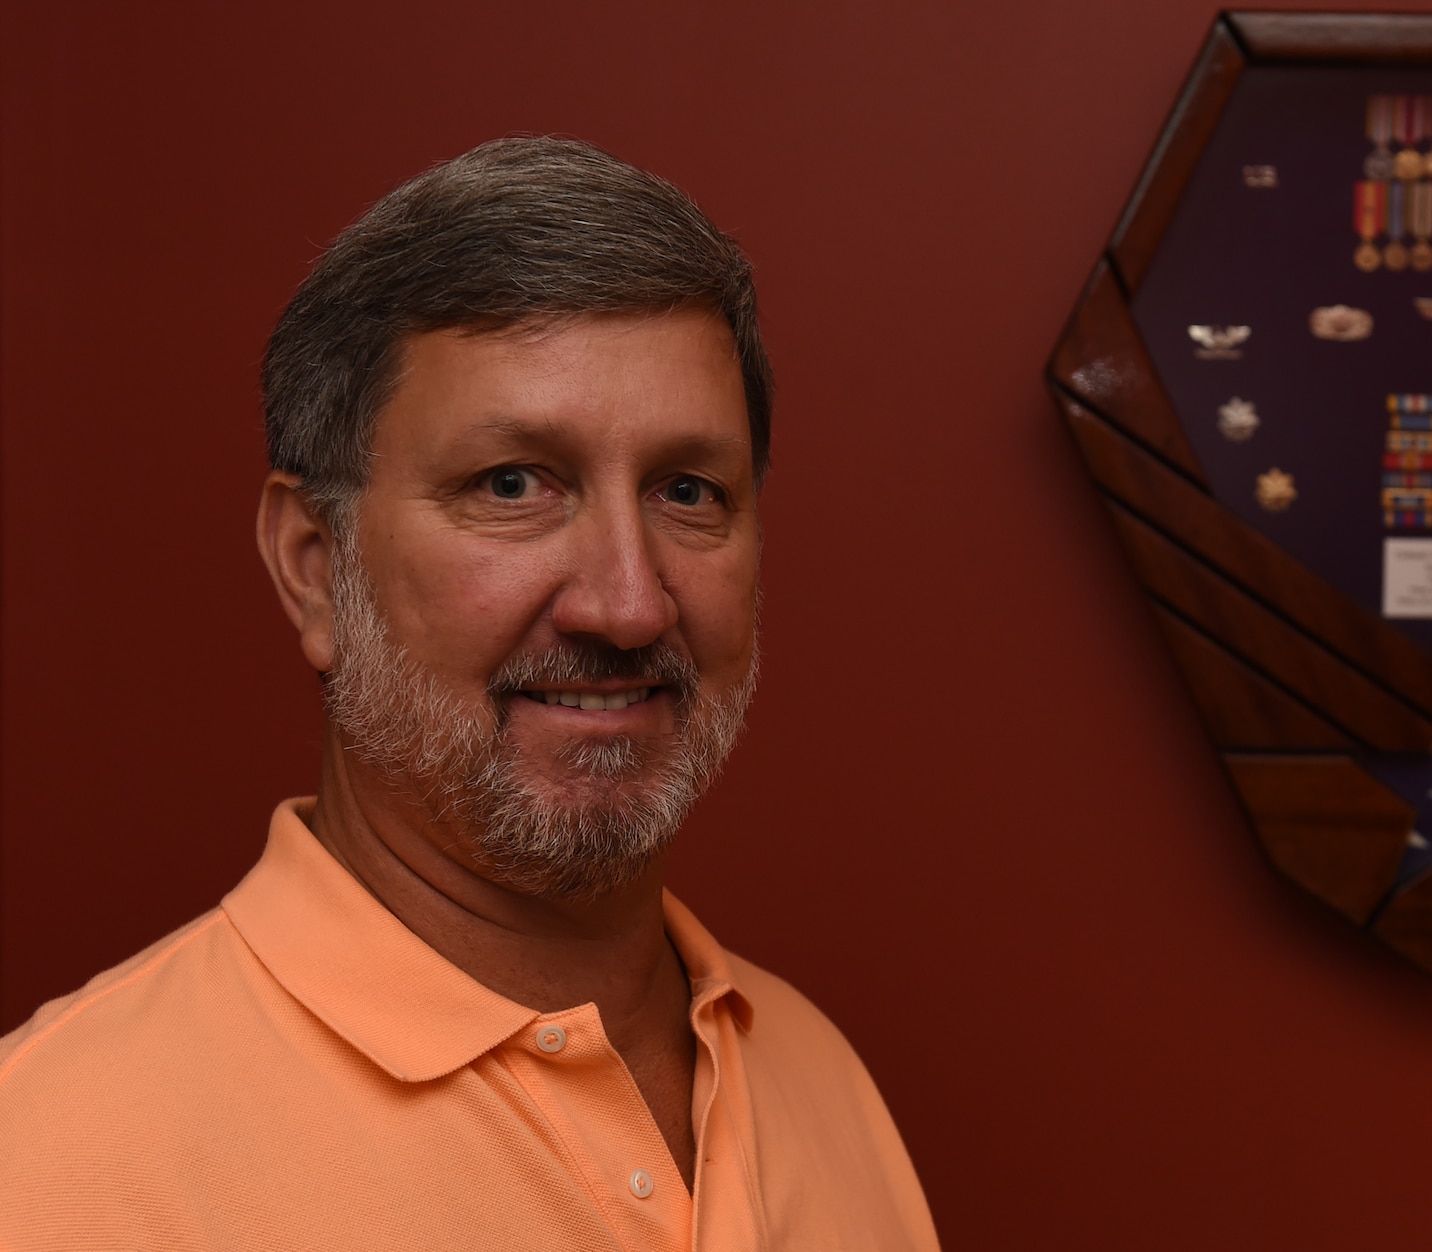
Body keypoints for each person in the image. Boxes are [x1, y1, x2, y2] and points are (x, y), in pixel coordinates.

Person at [0, 138, 940, 1251]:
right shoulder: (53, 1165)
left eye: (687, 490)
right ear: (314, 565)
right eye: (512, 485)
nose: (628, 604)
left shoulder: (813, 1078)